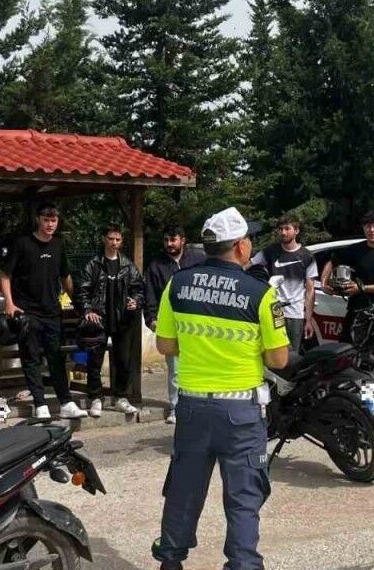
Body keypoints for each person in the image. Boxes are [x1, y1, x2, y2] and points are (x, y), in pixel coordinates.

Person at [151, 207, 290, 570]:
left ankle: (170, 560)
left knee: (184, 489)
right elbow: (278, 359)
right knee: (244, 498)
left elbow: (165, 345)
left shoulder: (177, 284)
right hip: (241, 412)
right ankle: (243, 564)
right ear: (241, 247)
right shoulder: (260, 293)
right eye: (250, 240)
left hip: (191, 407)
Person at [0, 202, 86, 420]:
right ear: (38, 219)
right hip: (27, 312)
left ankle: (66, 402)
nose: (50, 224)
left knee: (56, 357)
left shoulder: (58, 245)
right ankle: (40, 404)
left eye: (54, 220)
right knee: (31, 357)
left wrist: (77, 304)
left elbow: (65, 277)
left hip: (52, 311)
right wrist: (9, 303)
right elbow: (5, 276)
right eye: (46, 220)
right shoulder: (23, 244)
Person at [74, 223, 144, 417]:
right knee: (94, 361)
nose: (114, 242)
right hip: (99, 320)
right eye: (111, 239)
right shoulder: (93, 264)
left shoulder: (128, 265)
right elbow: (82, 290)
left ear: (121, 241)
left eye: (118, 239)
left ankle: (121, 398)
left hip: (123, 320)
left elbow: (139, 288)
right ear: (104, 239)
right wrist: (87, 310)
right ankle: (95, 398)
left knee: (124, 361)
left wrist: (135, 301)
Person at [144, 225, 206, 424]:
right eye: (166, 240)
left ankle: (200, 405)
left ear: (183, 240)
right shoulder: (156, 266)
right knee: (176, 369)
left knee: (200, 366)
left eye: (173, 240)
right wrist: (152, 319)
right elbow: (150, 295)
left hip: (198, 323)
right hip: (171, 325)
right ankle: (175, 407)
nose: (169, 244)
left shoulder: (198, 260)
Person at [320, 211, 374, 342]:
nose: (372, 230)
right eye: (368, 226)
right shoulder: (354, 250)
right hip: (357, 311)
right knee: (346, 350)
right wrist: (324, 284)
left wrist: (362, 288)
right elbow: (332, 262)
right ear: (363, 228)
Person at [249, 214, 318, 354]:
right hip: (272, 311)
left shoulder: (307, 256)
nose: (283, 232)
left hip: (295, 313)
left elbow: (310, 289)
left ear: (296, 230)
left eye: (287, 228)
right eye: (280, 229)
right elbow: (249, 264)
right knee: (270, 351)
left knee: (292, 355)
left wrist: (308, 319)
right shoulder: (271, 251)